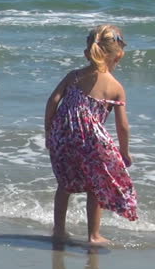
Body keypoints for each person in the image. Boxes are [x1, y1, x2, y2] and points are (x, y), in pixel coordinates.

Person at [45, 24, 138, 245]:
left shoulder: (74, 76)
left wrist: (49, 130)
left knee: (64, 185)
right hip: (91, 141)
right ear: (119, 55)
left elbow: (53, 101)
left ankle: (59, 230)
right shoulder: (115, 87)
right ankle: (93, 235)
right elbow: (123, 126)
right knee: (95, 187)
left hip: (63, 135)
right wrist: (124, 152)